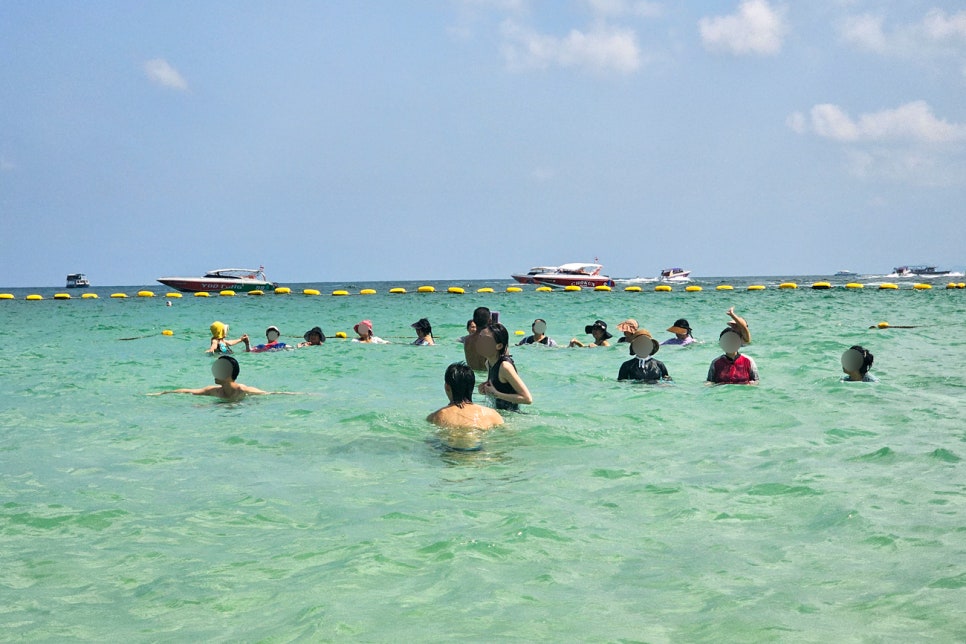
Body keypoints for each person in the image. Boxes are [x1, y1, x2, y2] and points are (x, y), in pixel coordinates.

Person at [149, 355, 276, 402]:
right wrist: (164, 392)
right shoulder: (214, 391)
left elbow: (270, 394)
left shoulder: (243, 390)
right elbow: (189, 391)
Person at [427, 362, 504, 430]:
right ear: (472, 386)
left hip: (451, 445)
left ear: (447, 387)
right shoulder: (492, 414)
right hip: (480, 445)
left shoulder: (438, 416)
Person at [477, 322, 533, 411]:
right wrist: (485, 388)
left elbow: (527, 399)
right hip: (501, 414)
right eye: (480, 338)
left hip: (512, 417)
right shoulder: (488, 362)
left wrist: (496, 394)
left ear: (499, 346)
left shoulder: (505, 367)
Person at [463, 306, 492, 371]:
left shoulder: (467, 340)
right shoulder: (491, 340)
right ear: (489, 320)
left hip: (471, 374)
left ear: (474, 321)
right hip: (486, 376)